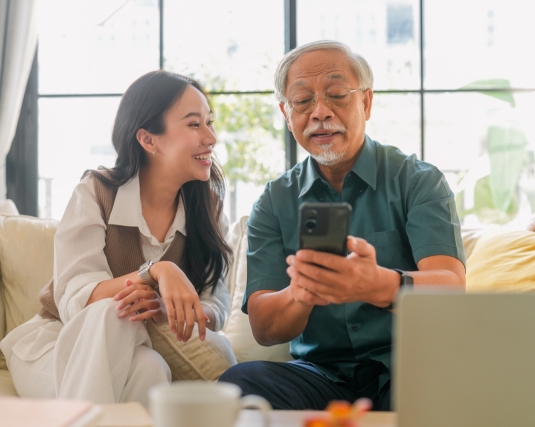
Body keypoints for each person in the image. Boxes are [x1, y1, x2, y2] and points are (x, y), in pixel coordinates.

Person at [219, 40, 466, 411]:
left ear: (365, 102)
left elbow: (451, 288)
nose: (320, 112)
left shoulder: (417, 181)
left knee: (444, 385)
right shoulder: (273, 202)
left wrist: (377, 284)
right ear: (287, 114)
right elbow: (265, 328)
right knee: (239, 384)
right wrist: (300, 292)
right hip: (321, 374)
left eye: (336, 95)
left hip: (408, 365)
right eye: (302, 101)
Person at [0, 71, 232, 406]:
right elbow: (75, 297)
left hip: (140, 349)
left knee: (151, 369)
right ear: (148, 139)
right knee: (114, 312)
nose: (211, 137)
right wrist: (157, 272)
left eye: (209, 122)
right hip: (55, 347)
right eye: (195, 124)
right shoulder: (96, 192)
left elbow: (217, 302)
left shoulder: (208, 208)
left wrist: (173, 309)